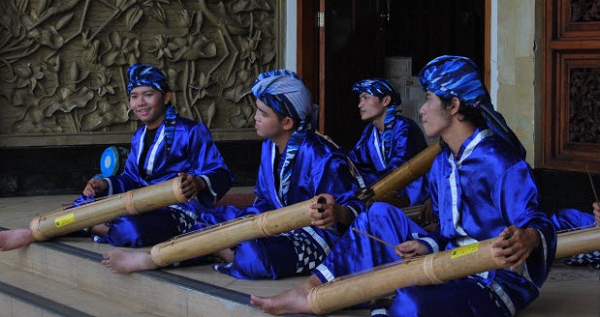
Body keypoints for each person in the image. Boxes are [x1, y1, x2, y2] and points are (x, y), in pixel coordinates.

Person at [251, 55, 557, 316]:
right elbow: (445, 232)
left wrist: (528, 237)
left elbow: (537, 221)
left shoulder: (499, 161)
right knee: (377, 215)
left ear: (453, 105)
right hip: (448, 263)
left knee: (406, 302)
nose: (422, 109)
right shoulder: (441, 162)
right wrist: (427, 245)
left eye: (429, 99)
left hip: (493, 280)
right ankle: (310, 289)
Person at [101, 69, 365, 279]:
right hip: (271, 223)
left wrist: (337, 213)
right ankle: (196, 251)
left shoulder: (323, 155)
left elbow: (354, 205)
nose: (255, 117)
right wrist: (239, 226)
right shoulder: (269, 148)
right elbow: (263, 201)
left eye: (263, 113)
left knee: (252, 254)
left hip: (314, 236)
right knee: (210, 220)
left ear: (287, 123)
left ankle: (193, 253)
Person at [0, 63, 233, 251]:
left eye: (148, 94)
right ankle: (34, 232)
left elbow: (220, 172)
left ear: (166, 97)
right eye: (134, 96)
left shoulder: (191, 130)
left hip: (177, 209)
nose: (140, 103)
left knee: (132, 230)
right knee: (86, 202)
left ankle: (93, 227)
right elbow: (132, 178)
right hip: (139, 202)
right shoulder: (140, 136)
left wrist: (198, 182)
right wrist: (105, 184)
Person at [348, 78, 429, 207]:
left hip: (416, 197)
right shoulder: (370, 131)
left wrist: (365, 183)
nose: (360, 104)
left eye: (365, 98)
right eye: (360, 99)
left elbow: (399, 168)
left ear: (386, 100)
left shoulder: (404, 127)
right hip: (391, 193)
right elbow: (355, 162)